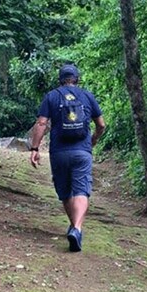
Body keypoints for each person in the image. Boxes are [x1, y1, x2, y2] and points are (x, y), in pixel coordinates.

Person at [29, 64, 106, 252]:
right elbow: (101, 125)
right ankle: (77, 228)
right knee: (81, 189)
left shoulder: (52, 96)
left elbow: (41, 123)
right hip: (82, 151)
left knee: (65, 191)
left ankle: (74, 228)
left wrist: (34, 148)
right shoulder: (87, 96)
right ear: (77, 79)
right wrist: (93, 140)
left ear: (60, 79)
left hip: (59, 152)